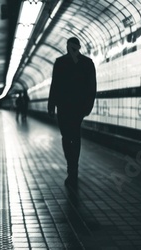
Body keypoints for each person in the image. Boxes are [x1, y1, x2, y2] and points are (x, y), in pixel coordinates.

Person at [48, 37, 97, 187]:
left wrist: (52, 106)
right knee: (72, 136)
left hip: (69, 107)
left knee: (69, 136)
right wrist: (51, 105)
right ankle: (72, 166)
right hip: (73, 107)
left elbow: (55, 85)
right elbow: (91, 86)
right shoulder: (83, 63)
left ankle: (72, 168)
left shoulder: (64, 62)